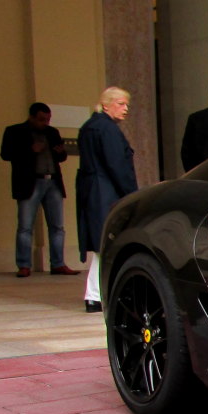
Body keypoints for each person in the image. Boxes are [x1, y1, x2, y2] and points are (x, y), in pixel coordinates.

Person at [77, 87, 138, 313]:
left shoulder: (89, 127)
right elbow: (117, 165)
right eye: (121, 104)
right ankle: (96, 294)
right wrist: (133, 195)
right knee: (108, 241)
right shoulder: (107, 129)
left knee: (102, 244)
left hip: (92, 189)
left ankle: (95, 294)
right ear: (106, 105)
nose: (126, 109)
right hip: (106, 192)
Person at [1, 103, 78, 277]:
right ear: (32, 117)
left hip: (53, 182)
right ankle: (24, 265)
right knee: (25, 226)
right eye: (42, 119)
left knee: (57, 226)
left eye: (48, 119)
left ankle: (58, 263)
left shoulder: (52, 133)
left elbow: (62, 157)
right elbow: (6, 154)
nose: (45, 123)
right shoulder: (15, 131)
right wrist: (30, 150)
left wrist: (61, 152)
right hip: (30, 183)